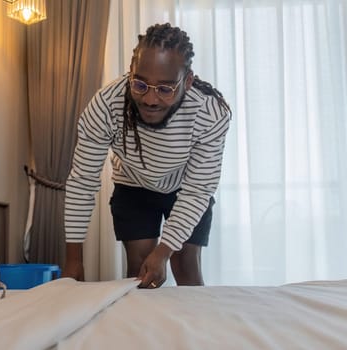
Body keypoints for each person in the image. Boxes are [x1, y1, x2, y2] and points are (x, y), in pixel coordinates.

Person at [62, 23, 232, 289]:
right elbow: (82, 182)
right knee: (140, 273)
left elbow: (198, 189)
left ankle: (194, 327)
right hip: (133, 186)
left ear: (186, 82)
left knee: (185, 265)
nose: (151, 99)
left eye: (165, 89)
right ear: (130, 73)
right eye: (140, 84)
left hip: (185, 188)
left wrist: (164, 251)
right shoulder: (105, 106)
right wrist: (74, 260)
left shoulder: (209, 113)